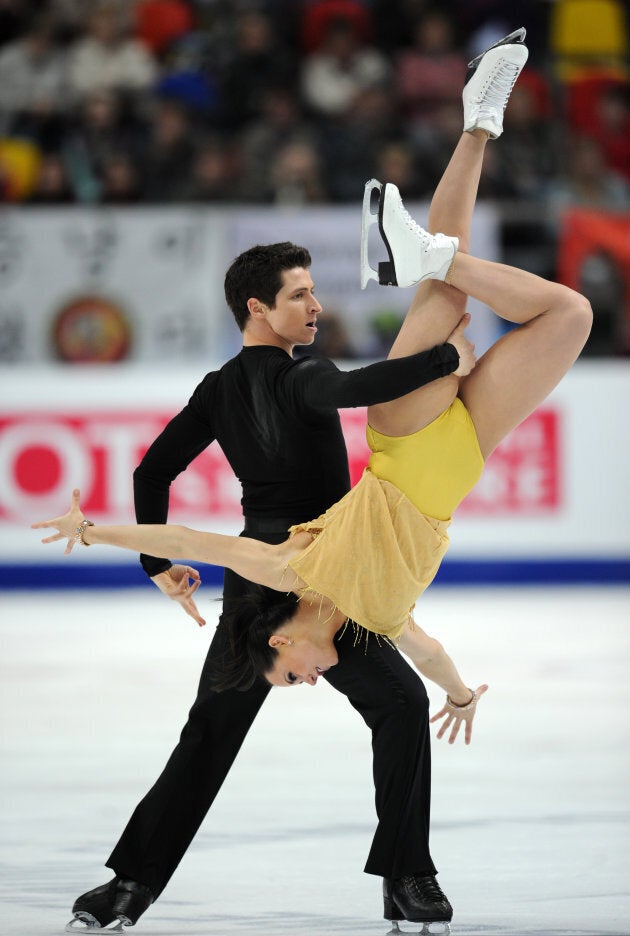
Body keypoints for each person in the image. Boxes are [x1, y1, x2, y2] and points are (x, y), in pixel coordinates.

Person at [36, 32, 536, 935]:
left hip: (260, 581)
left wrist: (156, 567)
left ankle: (128, 890)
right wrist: (442, 358)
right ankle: (407, 883)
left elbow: (156, 471)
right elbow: (350, 389)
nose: (314, 305)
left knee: (209, 741)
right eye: (300, 295)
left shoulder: (216, 389)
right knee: (395, 710)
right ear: (257, 309)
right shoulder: (304, 374)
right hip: (330, 565)